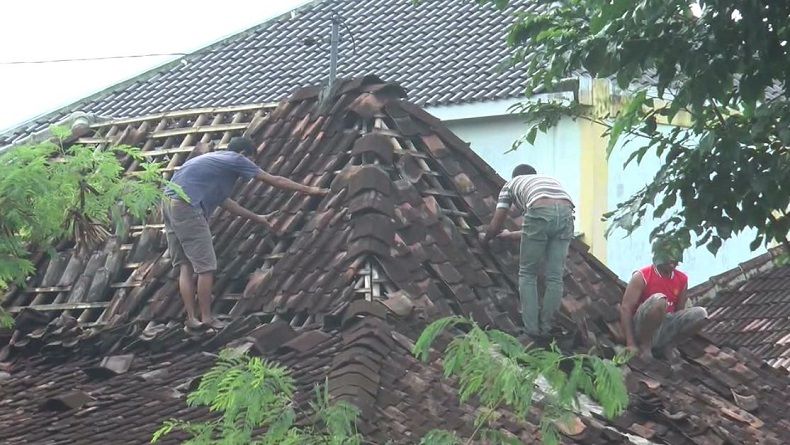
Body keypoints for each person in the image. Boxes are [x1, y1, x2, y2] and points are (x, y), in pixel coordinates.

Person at [162, 137, 328, 330]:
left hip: (168, 204)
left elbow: (226, 202)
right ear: (243, 154)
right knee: (206, 267)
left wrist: (258, 218)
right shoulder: (236, 159)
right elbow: (274, 180)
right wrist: (311, 190)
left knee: (186, 266)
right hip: (187, 206)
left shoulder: (213, 164)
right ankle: (207, 318)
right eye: (252, 160)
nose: (250, 166)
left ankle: (191, 318)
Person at [480, 164, 574, 337]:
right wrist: (510, 235)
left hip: (539, 211)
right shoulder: (548, 181)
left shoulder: (510, 185)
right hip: (567, 214)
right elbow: (541, 227)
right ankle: (548, 326)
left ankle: (532, 329)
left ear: (515, 176)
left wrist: (485, 240)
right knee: (555, 277)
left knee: (527, 273)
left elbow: (496, 224)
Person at [619, 242, 708, 360]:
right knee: (660, 301)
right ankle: (645, 346)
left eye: (675, 261)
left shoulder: (682, 279)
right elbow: (626, 308)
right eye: (669, 260)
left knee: (701, 314)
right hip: (643, 327)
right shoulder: (642, 276)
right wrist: (630, 343)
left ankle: (669, 346)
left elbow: (679, 312)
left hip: (665, 327)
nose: (672, 264)